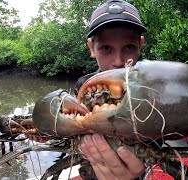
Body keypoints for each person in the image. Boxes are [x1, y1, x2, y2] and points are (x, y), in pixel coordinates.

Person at [74, 0, 147, 179]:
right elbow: (73, 131)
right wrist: (47, 132)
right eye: (106, 48)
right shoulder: (83, 86)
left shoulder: (152, 87)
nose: (118, 61)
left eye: (128, 47)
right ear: (92, 48)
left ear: (140, 45)